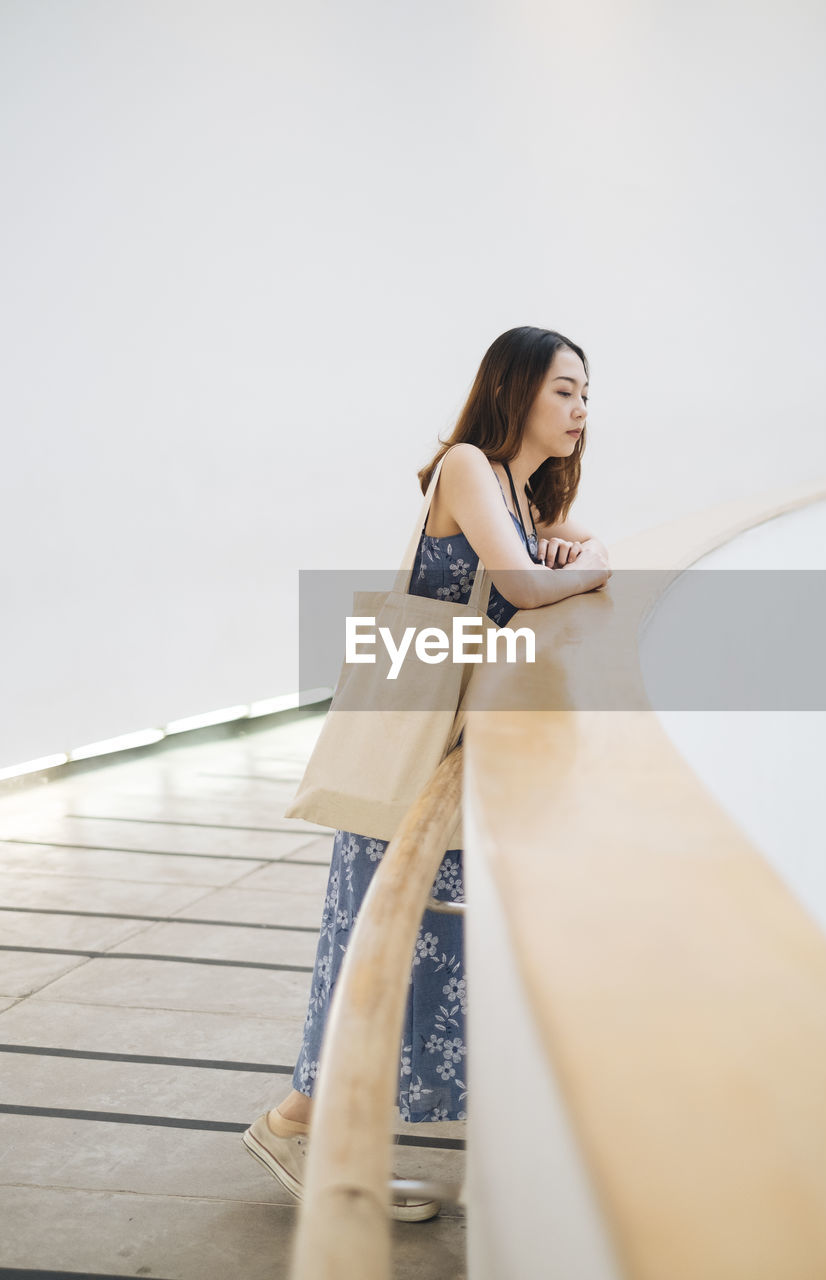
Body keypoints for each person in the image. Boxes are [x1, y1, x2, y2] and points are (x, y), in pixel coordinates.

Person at [242, 325, 611, 1221]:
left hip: (444, 746)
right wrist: (584, 565)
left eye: (586, 395)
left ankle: (316, 1132)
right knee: (381, 941)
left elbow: (540, 558)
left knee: (411, 944)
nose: (579, 410)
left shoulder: (520, 493)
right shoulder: (466, 468)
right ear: (515, 389)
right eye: (563, 390)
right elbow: (521, 590)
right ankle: (301, 1130)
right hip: (412, 742)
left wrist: (566, 548)